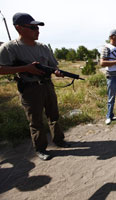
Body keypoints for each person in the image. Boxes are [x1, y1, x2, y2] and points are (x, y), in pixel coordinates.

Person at [0, 12, 70, 161]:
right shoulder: (9, 48)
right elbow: (1, 69)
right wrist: (25, 68)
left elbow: (54, 66)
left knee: (54, 115)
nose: (37, 31)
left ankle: (59, 140)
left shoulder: (43, 47)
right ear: (19, 28)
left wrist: (57, 72)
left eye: (37, 28)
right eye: (33, 27)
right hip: (29, 89)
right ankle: (40, 148)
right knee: (36, 120)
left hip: (47, 86)